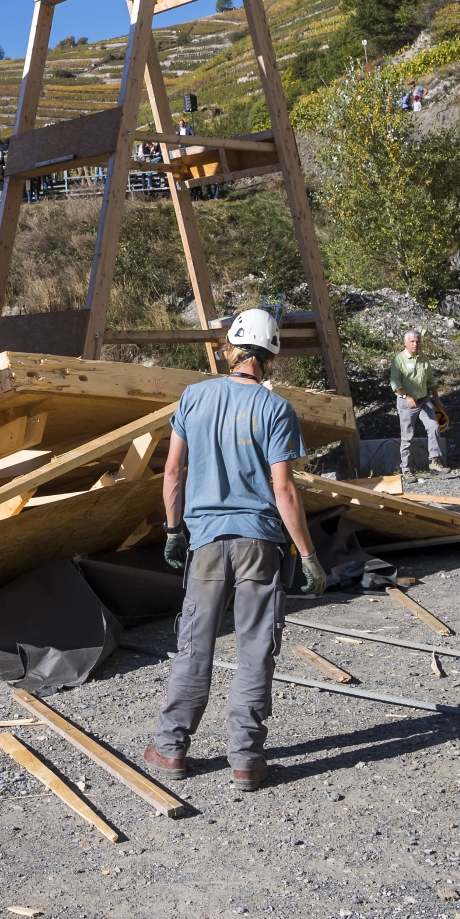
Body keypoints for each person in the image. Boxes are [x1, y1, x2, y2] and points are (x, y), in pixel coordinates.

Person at [144, 309, 328, 792]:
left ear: (232, 348)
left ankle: (170, 750)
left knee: (194, 644)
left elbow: (172, 474)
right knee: (254, 649)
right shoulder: (276, 410)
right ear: (269, 357)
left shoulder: (193, 397)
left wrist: (172, 530)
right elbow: (284, 491)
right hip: (259, 544)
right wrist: (308, 554)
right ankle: (245, 760)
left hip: (204, 542)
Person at [389, 330, 447, 476]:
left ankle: (434, 462)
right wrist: (406, 397)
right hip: (406, 403)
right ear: (405, 343)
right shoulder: (398, 360)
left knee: (434, 426)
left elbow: (430, 381)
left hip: (424, 400)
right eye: (412, 342)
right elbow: (395, 383)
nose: (415, 344)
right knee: (407, 436)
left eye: (418, 341)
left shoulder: (424, 358)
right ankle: (406, 469)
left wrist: (437, 399)